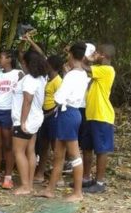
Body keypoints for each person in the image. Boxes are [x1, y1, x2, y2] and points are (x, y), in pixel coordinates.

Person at [41, 42, 90, 202]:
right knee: (59, 155)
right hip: (71, 113)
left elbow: (58, 97)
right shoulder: (82, 74)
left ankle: (78, 192)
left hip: (67, 112)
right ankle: (50, 189)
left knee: (74, 155)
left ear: (71, 55)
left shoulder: (71, 76)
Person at [0, 49, 23, 189]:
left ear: (9, 59)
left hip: (9, 112)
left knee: (8, 145)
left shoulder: (18, 74)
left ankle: (8, 177)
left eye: (1, 57)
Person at [80, 44, 116, 193]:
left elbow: (83, 66)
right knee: (87, 148)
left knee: (101, 150)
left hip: (102, 115)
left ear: (102, 55)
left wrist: (87, 59)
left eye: (96, 53)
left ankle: (100, 182)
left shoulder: (107, 70)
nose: (94, 54)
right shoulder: (99, 71)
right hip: (91, 114)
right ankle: (86, 179)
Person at [11, 50, 47, 196]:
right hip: (36, 119)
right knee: (30, 150)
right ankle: (29, 184)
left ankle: (25, 186)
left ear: (26, 63)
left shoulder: (29, 80)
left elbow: (28, 100)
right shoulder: (41, 78)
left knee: (18, 151)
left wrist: (22, 121)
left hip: (26, 120)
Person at [35, 54, 65, 182]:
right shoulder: (47, 79)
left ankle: (58, 176)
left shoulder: (58, 81)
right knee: (43, 146)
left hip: (53, 116)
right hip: (44, 114)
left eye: (47, 64)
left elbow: (60, 103)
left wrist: (47, 115)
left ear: (52, 66)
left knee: (55, 147)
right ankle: (40, 173)